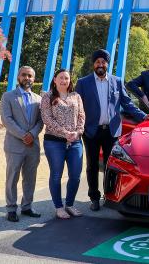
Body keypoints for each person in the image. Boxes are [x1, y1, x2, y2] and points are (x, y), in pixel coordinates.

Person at [75, 49, 149, 211]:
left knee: (111, 166)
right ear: (93, 64)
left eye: (103, 62)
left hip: (111, 131)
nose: (100, 65)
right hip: (91, 131)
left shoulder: (117, 81)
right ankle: (94, 197)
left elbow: (127, 103)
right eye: (97, 62)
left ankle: (109, 195)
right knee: (92, 165)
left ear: (107, 64)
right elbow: (76, 106)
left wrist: (143, 116)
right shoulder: (83, 83)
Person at [0, 66, 43, 222]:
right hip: (14, 145)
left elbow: (40, 121)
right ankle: (11, 208)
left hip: (33, 146)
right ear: (18, 77)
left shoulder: (39, 99)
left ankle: (27, 207)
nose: (27, 78)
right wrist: (23, 135)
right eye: (24, 75)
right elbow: (7, 120)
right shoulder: (8, 96)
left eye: (30, 76)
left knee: (30, 177)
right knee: (12, 178)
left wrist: (32, 134)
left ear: (34, 78)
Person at [41, 69, 85, 219]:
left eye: (66, 78)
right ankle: (59, 207)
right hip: (54, 142)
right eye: (60, 78)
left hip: (75, 142)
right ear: (54, 80)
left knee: (76, 175)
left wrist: (78, 132)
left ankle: (70, 205)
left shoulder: (76, 96)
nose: (64, 81)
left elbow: (81, 116)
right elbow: (47, 119)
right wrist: (65, 132)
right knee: (56, 175)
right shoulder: (47, 97)